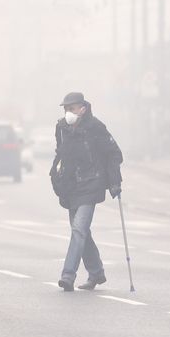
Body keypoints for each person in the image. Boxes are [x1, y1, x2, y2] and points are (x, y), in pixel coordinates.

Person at [49, 91, 123, 292]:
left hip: (91, 185)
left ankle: (68, 275)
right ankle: (96, 273)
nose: (68, 113)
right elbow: (60, 153)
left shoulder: (95, 127)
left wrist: (115, 181)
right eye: (66, 109)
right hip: (71, 187)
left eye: (71, 109)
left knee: (79, 229)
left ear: (83, 108)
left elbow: (113, 153)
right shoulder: (62, 128)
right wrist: (55, 175)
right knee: (82, 232)